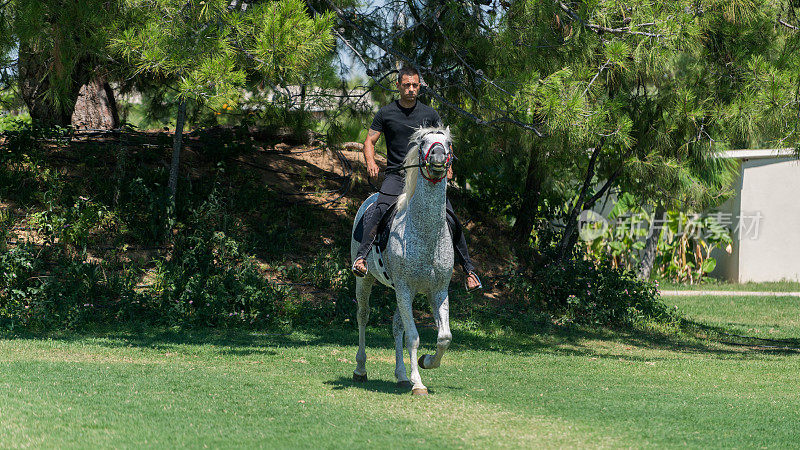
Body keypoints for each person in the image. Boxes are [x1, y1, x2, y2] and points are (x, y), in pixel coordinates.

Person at [352, 66, 482, 292]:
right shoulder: (386, 113)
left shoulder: (430, 114)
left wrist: (449, 167)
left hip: (425, 178)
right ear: (398, 86)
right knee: (380, 209)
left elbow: (444, 143)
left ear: (419, 86)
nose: (411, 89)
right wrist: (371, 162)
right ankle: (361, 258)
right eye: (406, 85)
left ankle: (469, 271)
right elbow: (369, 142)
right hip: (397, 176)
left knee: (450, 216)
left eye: (415, 85)